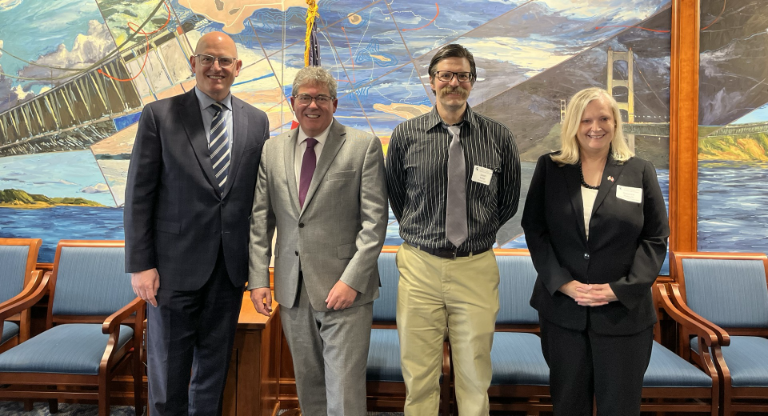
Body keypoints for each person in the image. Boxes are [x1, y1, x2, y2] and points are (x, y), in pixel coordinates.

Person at [124, 31, 270, 416]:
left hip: (228, 270)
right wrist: (140, 265)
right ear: (193, 63)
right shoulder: (160, 115)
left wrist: (258, 270)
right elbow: (139, 195)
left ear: (238, 67)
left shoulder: (257, 122)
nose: (216, 67)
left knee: (213, 372)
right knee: (168, 373)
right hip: (171, 271)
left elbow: (257, 200)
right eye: (207, 58)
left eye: (225, 61)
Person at [386, 43, 521, 416]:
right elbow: (398, 198)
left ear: (472, 82)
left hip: (475, 267)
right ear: (432, 81)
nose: (454, 83)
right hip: (419, 267)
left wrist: (476, 234)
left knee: (475, 377)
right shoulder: (405, 135)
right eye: (445, 75)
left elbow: (508, 202)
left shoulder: (498, 137)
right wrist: (426, 232)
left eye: (462, 75)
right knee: (418, 377)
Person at [248, 66, 388, 416]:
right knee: (309, 389)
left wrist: (351, 281)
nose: (313, 105)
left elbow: (374, 224)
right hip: (292, 290)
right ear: (292, 102)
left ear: (334, 104)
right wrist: (258, 279)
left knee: (343, 392)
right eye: (305, 97)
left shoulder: (363, 146)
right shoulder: (271, 150)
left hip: (345, 293)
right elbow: (261, 221)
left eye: (321, 98)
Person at [522, 87, 669, 416]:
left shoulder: (639, 170)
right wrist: (563, 283)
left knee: (620, 408)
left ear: (615, 122)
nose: (595, 127)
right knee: (568, 406)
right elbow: (535, 229)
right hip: (563, 313)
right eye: (585, 120)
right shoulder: (550, 168)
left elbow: (656, 237)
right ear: (573, 124)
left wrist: (621, 289)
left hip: (623, 315)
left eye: (604, 118)